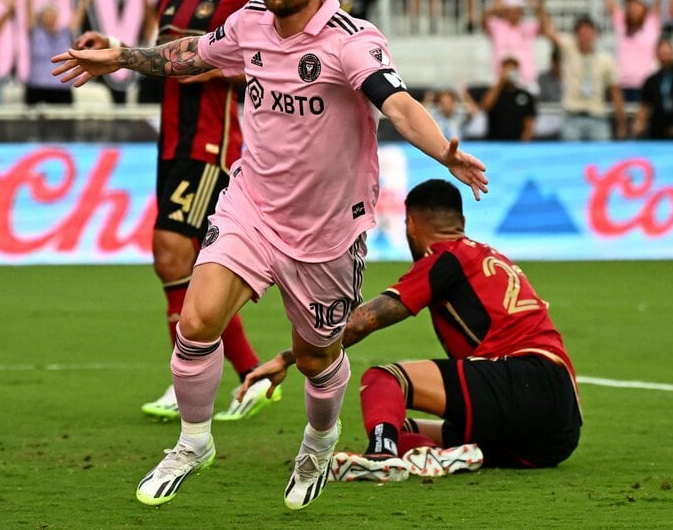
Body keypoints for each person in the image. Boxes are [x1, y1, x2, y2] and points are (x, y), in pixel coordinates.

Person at [52, 0, 488, 511]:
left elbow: (397, 103)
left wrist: (443, 151)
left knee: (315, 357)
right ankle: (193, 443)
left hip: (327, 231)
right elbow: (194, 53)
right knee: (196, 322)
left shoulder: (352, 41)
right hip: (251, 207)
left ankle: (320, 440)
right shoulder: (251, 21)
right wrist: (124, 57)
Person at [70, 0, 276, 423]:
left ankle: (188, 377)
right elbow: (163, 56)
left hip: (210, 145)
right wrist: (114, 47)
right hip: (171, 144)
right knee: (193, 265)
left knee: (170, 253)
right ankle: (251, 375)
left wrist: (216, 69)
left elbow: (271, 64)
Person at [242, 179, 581, 482]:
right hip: (559, 427)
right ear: (462, 223)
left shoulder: (445, 258)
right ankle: (438, 455)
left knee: (384, 380)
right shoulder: (491, 257)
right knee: (397, 427)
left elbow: (360, 323)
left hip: (521, 379)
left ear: (412, 225)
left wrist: (289, 358)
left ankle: (380, 457)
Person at [589, 0, 673, 103]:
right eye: (630, 5)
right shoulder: (622, 23)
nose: (633, 8)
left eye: (637, 4)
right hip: (623, 84)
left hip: (647, 84)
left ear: (644, 8)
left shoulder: (651, 23)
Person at [543, 15, 625, 141]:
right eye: (581, 33)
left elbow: (615, 92)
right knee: (571, 152)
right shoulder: (568, 51)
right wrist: (540, 9)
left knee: (601, 153)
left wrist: (621, 124)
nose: (585, 37)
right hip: (572, 117)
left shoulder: (606, 60)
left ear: (595, 34)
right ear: (576, 36)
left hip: (597, 117)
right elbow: (550, 33)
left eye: (588, 33)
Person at [23, 0, 92, 105]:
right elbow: (28, 9)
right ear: (41, 18)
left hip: (61, 87)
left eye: (53, 15)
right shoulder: (36, 32)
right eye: (47, 15)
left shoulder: (64, 32)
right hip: (37, 86)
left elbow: (80, 11)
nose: (50, 18)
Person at [481, 0, 551, 90]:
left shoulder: (527, 26)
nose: (515, 14)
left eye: (518, 11)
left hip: (526, 81)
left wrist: (538, 7)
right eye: (512, 11)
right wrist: (495, 7)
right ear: (505, 11)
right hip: (500, 80)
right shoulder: (497, 25)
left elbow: (545, 27)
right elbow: (483, 22)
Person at [481, 56, 536, 141]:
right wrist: (500, 81)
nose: (510, 73)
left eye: (513, 70)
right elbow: (486, 107)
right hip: (494, 142)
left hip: (516, 143)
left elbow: (529, 122)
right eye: (507, 70)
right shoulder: (493, 92)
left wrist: (525, 142)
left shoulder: (526, 95)